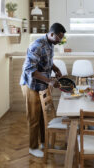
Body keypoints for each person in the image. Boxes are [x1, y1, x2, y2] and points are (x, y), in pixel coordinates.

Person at [20, 23, 66, 157]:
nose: (60, 41)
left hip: (41, 84)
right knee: (34, 117)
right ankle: (32, 147)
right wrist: (49, 81)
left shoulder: (50, 44)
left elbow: (47, 63)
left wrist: (56, 69)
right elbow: (29, 70)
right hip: (31, 85)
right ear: (52, 34)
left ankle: (44, 143)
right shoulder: (37, 45)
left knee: (42, 115)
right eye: (59, 38)